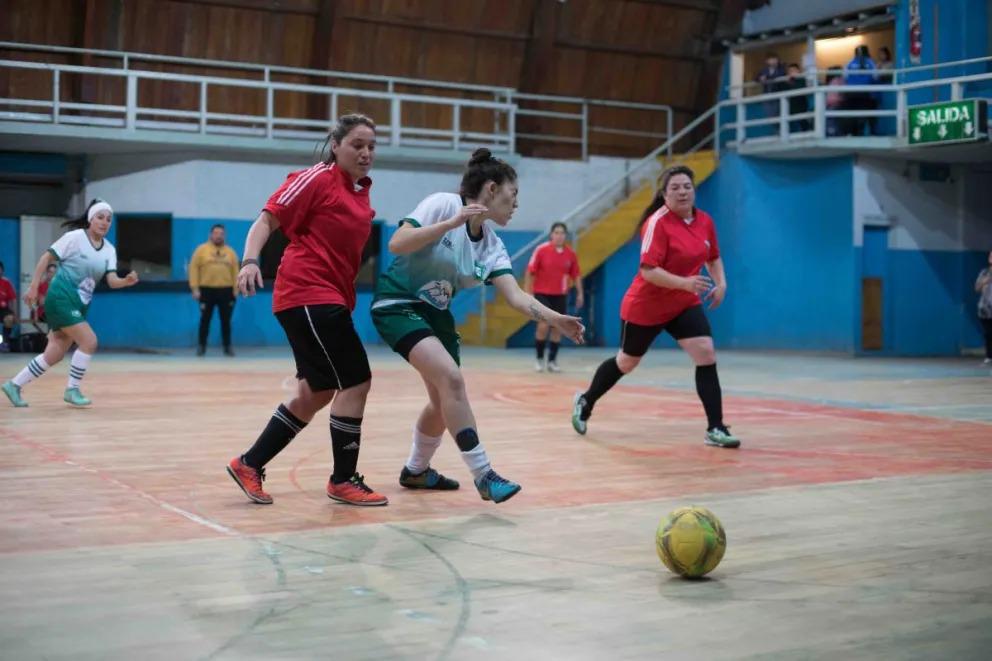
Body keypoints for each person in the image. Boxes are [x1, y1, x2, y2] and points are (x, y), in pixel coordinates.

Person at [371, 148, 585, 503]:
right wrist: (449, 224)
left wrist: (555, 318)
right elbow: (397, 243)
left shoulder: (492, 246)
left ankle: (416, 470)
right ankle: (484, 475)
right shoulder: (443, 204)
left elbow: (516, 296)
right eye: (513, 194)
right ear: (491, 189)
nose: (516, 204)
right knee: (453, 381)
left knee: (442, 402)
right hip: (398, 303)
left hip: (437, 316)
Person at [225, 114, 388, 507]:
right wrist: (249, 261)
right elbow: (267, 219)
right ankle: (343, 479)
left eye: (371, 146)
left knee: (317, 391)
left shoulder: (359, 192)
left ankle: (249, 463)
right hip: (308, 293)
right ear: (336, 145)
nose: (366, 153)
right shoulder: (317, 178)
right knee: (356, 381)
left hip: (326, 298)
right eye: (357, 145)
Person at [570, 165, 740, 448]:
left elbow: (712, 257)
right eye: (675, 188)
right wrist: (685, 283)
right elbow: (648, 271)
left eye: (687, 186)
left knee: (706, 353)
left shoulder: (705, 221)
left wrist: (721, 283)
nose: (682, 192)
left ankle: (716, 428)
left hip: (683, 303)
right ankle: (586, 401)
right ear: (664, 194)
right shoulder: (657, 223)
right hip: (646, 305)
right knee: (626, 362)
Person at [2, 200, 140, 407]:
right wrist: (34, 286)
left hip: (80, 304)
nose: (104, 222)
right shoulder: (75, 238)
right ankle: (72, 389)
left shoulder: (109, 250)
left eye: (108, 219)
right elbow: (46, 258)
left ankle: (14, 385)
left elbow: (112, 281)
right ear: (90, 219)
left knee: (55, 352)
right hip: (60, 298)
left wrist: (125, 281)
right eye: (100, 217)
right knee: (89, 341)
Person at [524, 221, 584, 372]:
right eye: (556, 233)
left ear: (565, 236)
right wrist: (527, 292)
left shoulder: (570, 254)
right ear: (551, 234)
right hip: (542, 294)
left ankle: (552, 361)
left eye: (562, 233)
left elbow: (576, 275)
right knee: (543, 325)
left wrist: (580, 293)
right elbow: (530, 271)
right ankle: (539, 359)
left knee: (558, 327)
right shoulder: (541, 250)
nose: (559, 236)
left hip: (560, 295)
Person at [189, 223, 239, 356]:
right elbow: (193, 269)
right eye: (216, 233)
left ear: (224, 236)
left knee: (226, 321)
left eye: (221, 234)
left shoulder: (230, 252)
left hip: (226, 291)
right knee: (205, 320)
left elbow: (236, 272)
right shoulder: (201, 250)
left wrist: (236, 289)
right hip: (206, 290)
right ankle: (201, 346)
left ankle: (227, 347)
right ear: (210, 235)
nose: (218, 236)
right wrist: (195, 288)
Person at [844, 45, 878, 136]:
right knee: (864, 113)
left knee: (853, 113)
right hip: (865, 93)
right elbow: (875, 77)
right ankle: (863, 133)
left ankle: (852, 133)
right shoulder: (870, 62)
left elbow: (845, 77)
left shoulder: (850, 62)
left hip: (851, 92)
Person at [755, 53, 787, 120]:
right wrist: (760, 78)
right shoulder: (764, 70)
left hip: (777, 94)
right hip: (767, 95)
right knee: (770, 116)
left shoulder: (781, 68)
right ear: (767, 61)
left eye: (775, 59)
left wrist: (766, 77)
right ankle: (776, 126)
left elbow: (780, 75)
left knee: (778, 114)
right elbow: (756, 78)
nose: (773, 61)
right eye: (771, 59)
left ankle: (779, 126)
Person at [976, 251, 992, 365]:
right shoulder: (984, 272)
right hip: (985, 309)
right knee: (988, 333)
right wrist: (984, 282)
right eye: (991, 255)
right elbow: (976, 288)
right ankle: (989, 356)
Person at [785, 63, 811, 133]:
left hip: (801, 105)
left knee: (803, 123)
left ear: (798, 71)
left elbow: (801, 89)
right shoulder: (786, 80)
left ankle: (807, 134)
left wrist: (791, 82)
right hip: (791, 106)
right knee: (791, 125)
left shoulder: (802, 79)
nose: (792, 72)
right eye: (790, 71)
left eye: (794, 70)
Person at [0, 261, 16, 352]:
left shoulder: (6, 282)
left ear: (2, 271)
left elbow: (13, 299)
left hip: (3, 309)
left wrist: (14, 314)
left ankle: (5, 343)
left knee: (9, 318)